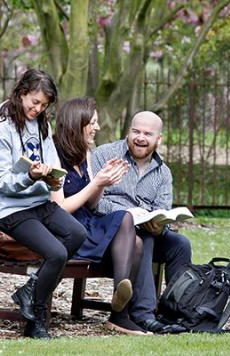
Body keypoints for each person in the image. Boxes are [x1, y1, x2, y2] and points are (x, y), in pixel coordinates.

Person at [0, 69, 87, 339]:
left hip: (38, 203)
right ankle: (36, 319)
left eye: (44, 105)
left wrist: (53, 180)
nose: (38, 109)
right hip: (8, 208)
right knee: (57, 254)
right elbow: (2, 181)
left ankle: (30, 290)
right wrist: (29, 176)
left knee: (77, 234)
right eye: (34, 102)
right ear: (21, 92)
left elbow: (51, 163)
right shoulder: (0, 129)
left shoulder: (42, 125)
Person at [52, 97, 149, 335]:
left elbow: (93, 204)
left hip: (88, 222)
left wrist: (103, 182)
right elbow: (60, 207)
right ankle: (120, 313)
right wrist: (95, 181)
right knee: (134, 242)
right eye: (92, 123)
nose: (97, 128)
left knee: (127, 222)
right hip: (68, 229)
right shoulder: (53, 154)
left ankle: (119, 306)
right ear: (78, 123)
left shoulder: (85, 152)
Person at [91, 111, 191, 334]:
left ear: (159, 139)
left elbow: (162, 208)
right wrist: (127, 213)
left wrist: (159, 223)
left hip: (148, 230)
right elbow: (95, 202)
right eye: (136, 131)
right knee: (142, 236)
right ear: (128, 131)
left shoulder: (163, 172)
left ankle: (178, 313)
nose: (140, 137)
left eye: (148, 133)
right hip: (111, 233)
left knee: (180, 244)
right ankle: (143, 314)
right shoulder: (104, 154)